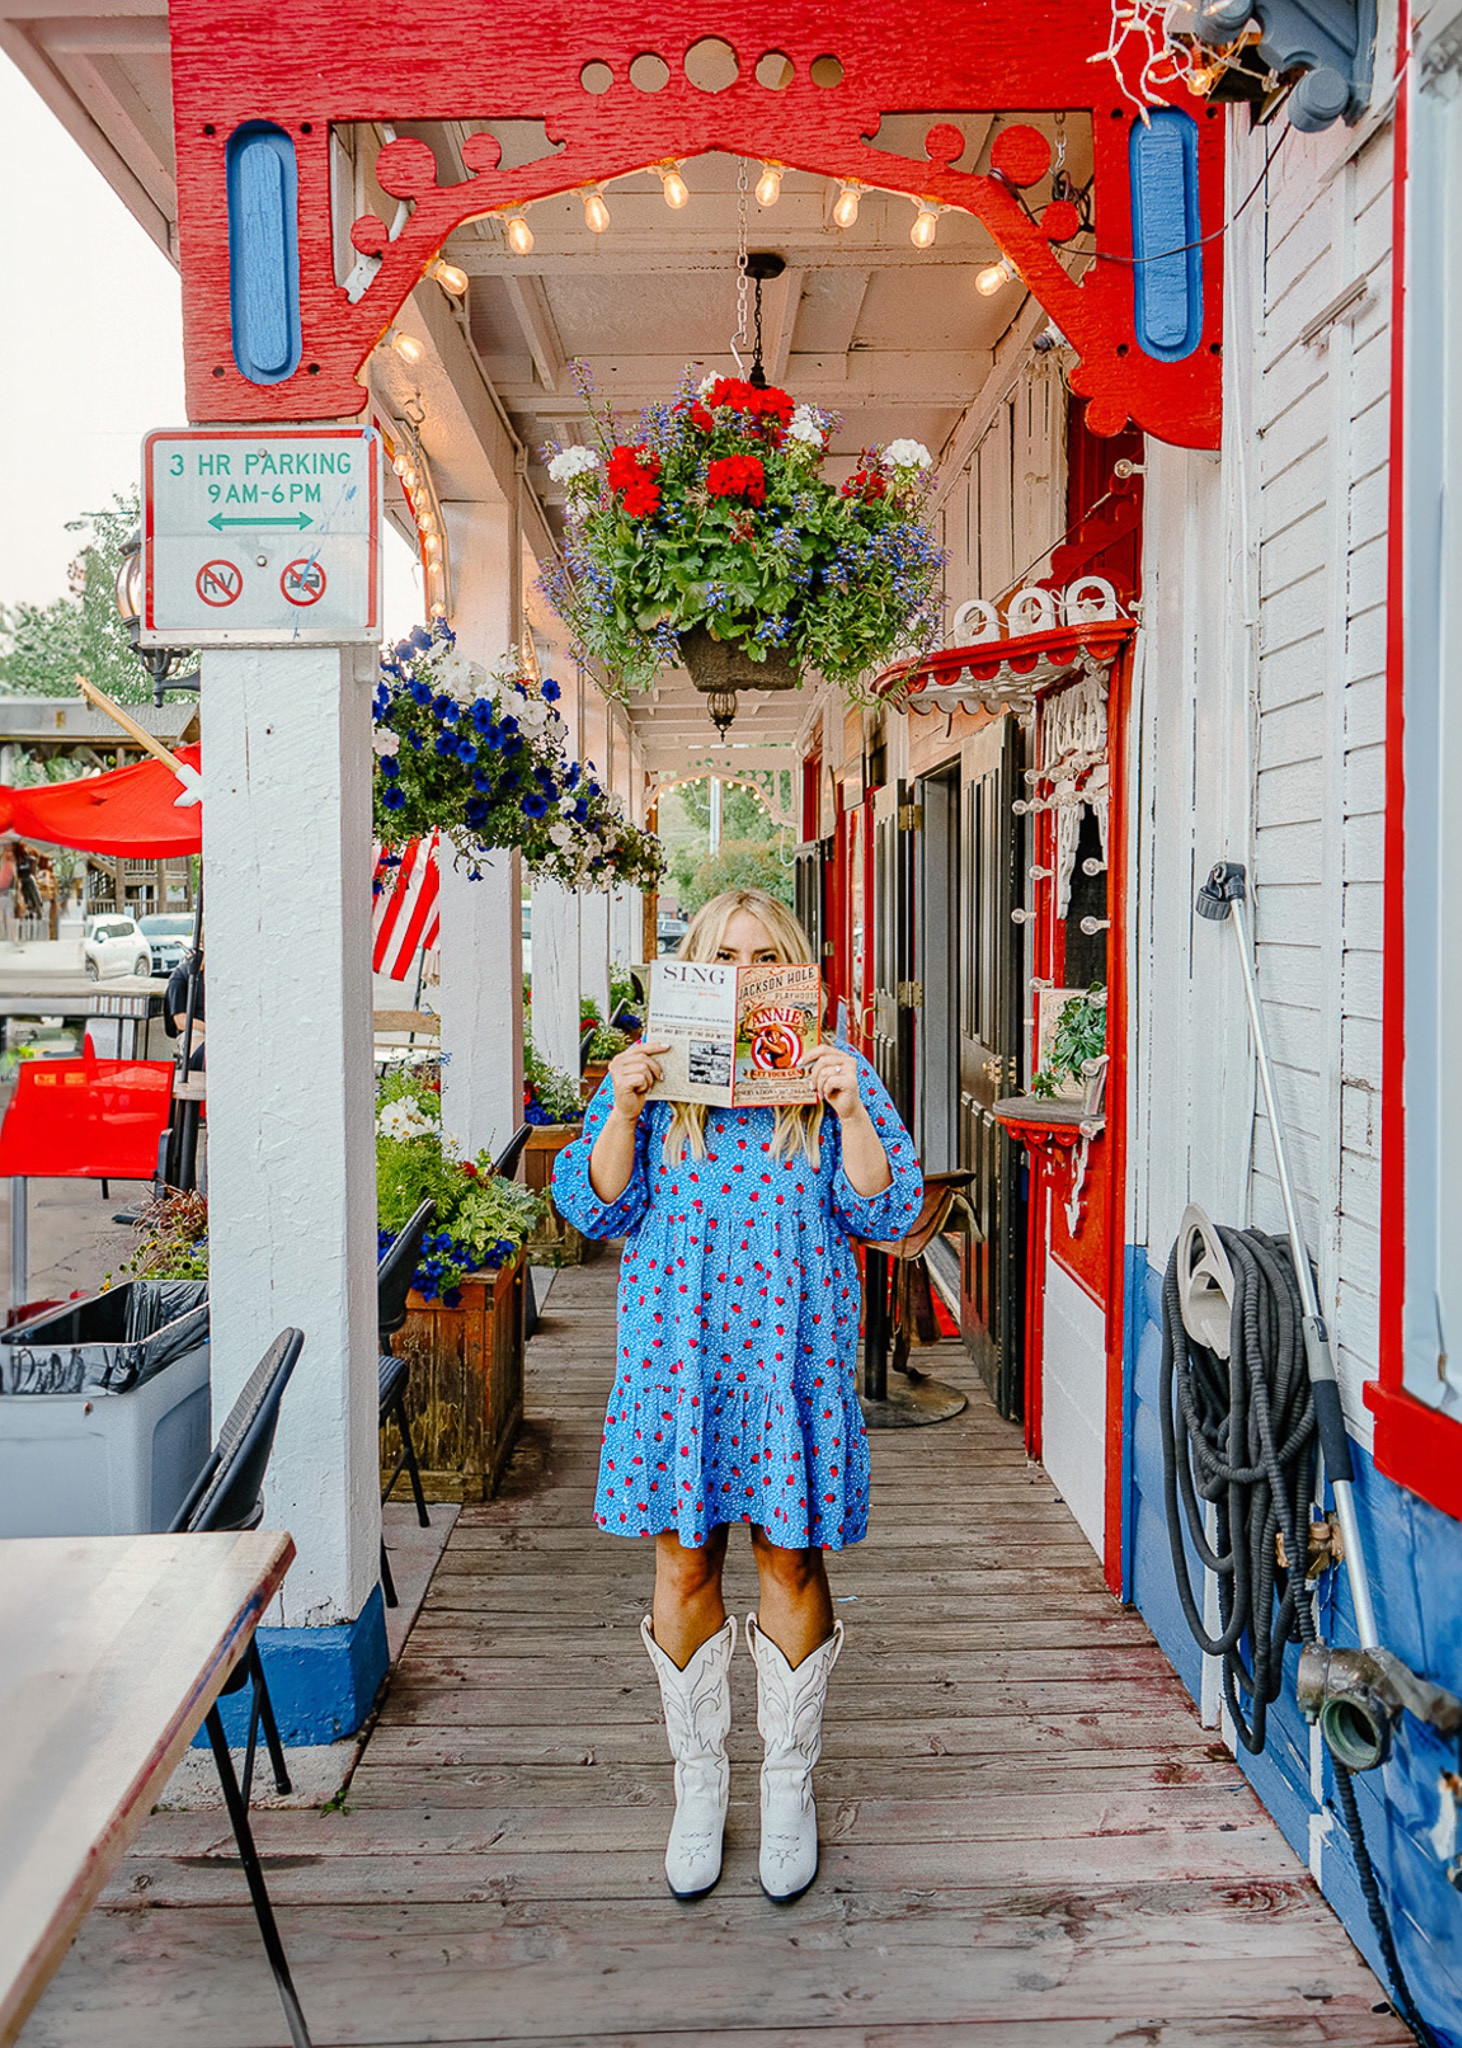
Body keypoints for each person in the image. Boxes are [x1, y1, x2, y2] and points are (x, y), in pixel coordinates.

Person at [553, 888, 922, 1904]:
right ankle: (699, 1784)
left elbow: (886, 1205)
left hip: (791, 1362)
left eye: (763, 955)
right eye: (722, 954)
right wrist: (623, 1105)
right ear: (692, 970)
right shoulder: (655, 1075)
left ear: (790, 970)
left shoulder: (829, 1069)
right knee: (681, 1563)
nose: (742, 969)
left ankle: (789, 1782)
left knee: (790, 1557)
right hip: (681, 1362)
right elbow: (592, 1204)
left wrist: (848, 1105)